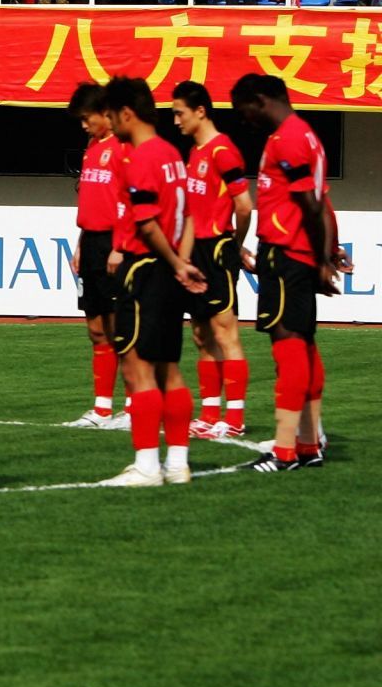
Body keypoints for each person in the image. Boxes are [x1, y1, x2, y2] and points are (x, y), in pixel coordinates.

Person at [232, 74, 348, 471]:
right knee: (304, 345)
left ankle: (285, 451)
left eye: (244, 110)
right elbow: (323, 204)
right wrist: (329, 254)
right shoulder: (306, 135)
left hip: (286, 255)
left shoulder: (288, 139)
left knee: (289, 348)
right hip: (296, 254)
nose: (244, 119)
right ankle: (307, 444)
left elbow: (312, 206)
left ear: (261, 100)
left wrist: (321, 259)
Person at [97, 77, 204, 488]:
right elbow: (190, 215)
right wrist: (182, 262)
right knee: (170, 371)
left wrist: (175, 261)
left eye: (110, 114)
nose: (108, 122)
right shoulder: (174, 155)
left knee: (138, 369)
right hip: (168, 271)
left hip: (145, 270)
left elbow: (146, 222)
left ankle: (146, 466)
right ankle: (178, 464)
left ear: (125, 113)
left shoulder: (141, 158)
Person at [171, 81, 251, 440]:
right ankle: (208, 414)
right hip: (196, 252)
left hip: (218, 249)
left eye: (179, 113)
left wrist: (235, 243)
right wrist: (182, 257)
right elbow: (190, 212)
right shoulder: (196, 151)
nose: (175, 121)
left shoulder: (223, 151)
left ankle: (234, 418)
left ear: (200, 111)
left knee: (225, 331)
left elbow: (244, 205)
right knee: (202, 335)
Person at [63, 83, 129, 430]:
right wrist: (80, 241)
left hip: (116, 245)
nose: (84, 126)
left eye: (87, 119)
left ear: (106, 114)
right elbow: (92, 200)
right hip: (91, 242)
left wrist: (120, 246)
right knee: (96, 327)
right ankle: (102, 408)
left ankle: (132, 407)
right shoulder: (92, 148)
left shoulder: (123, 146)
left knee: (123, 327)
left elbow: (130, 203)